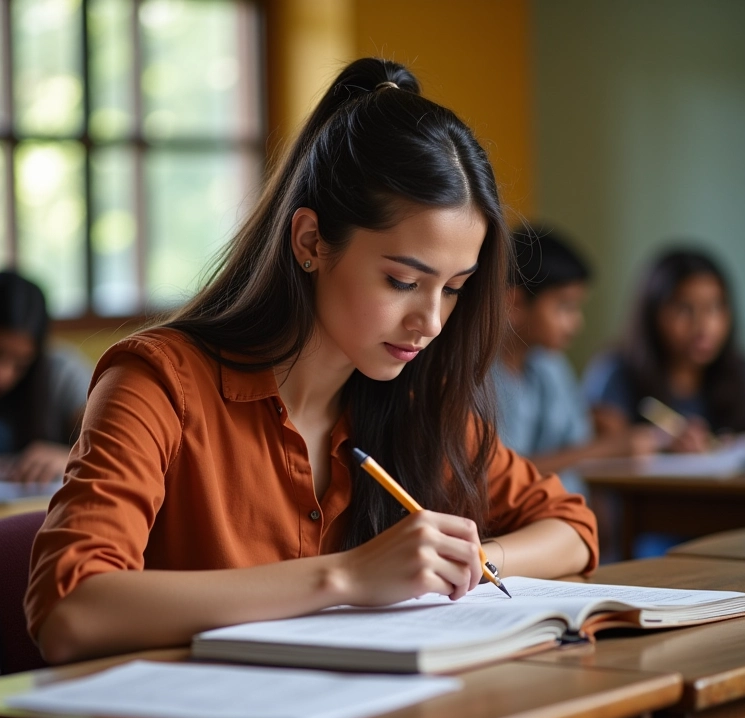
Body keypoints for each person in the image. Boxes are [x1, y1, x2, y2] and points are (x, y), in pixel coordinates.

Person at [26, 58, 598, 667]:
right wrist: (347, 577)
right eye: (403, 281)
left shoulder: (409, 402)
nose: (431, 322)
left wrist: (463, 563)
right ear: (310, 242)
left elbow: (572, 528)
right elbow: (71, 610)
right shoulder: (158, 382)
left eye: (453, 288)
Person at [492, 227, 659, 495]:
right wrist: (605, 448)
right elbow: (499, 476)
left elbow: (576, 438)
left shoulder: (550, 364)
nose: (576, 323)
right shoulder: (479, 377)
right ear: (516, 303)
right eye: (565, 307)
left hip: (563, 509)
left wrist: (601, 428)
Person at [583, 246, 745, 450]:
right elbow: (605, 449)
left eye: (715, 307)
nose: (704, 326)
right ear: (653, 314)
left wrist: (737, 445)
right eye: (684, 309)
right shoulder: (616, 372)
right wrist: (660, 443)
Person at [0, 272, 92, 484]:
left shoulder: (62, 374)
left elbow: (113, 447)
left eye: (21, 364)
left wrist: (73, 457)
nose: (3, 375)